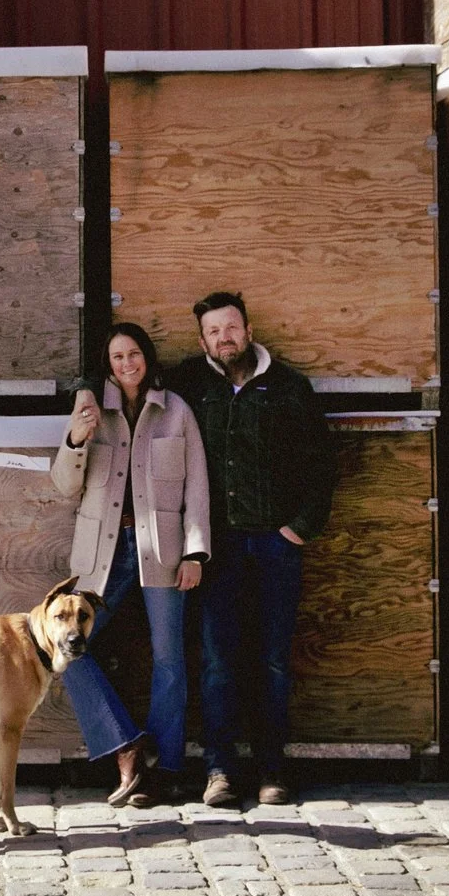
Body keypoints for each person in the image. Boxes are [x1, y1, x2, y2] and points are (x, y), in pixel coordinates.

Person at [164, 291, 332, 809]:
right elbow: (122, 379)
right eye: (213, 332)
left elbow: (323, 462)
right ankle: (219, 769)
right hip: (218, 550)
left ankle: (272, 769)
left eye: (231, 327)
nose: (224, 338)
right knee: (217, 661)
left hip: (276, 545)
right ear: (202, 341)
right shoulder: (188, 385)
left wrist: (299, 528)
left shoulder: (288, 387)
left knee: (274, 660)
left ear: (249, 329)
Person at [49, 321, 210, 808]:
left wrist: (195, 551)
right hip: (103, 553)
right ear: (108, 366)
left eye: (134, 355)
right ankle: (127, 748)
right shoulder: (92, 411)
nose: (127, 365)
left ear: (148, 357)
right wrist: (76, 440)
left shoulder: (176, 411)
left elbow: (197, 484)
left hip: (161, 549)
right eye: (117, 358)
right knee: (68, 650)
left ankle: (170, 770)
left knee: (169, 660)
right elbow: (63, 485)